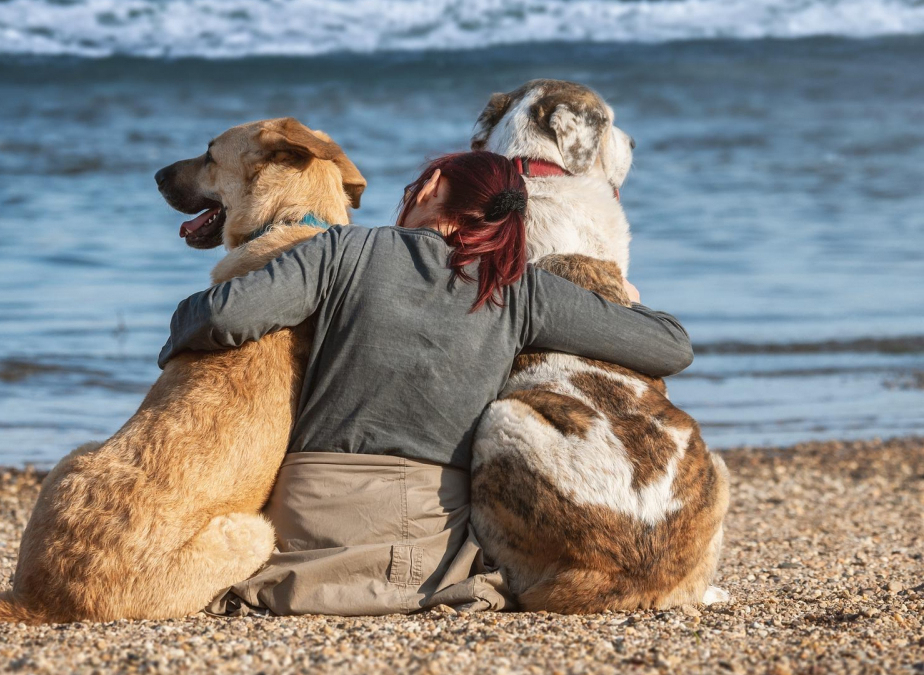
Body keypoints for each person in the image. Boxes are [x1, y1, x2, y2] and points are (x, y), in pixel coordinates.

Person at [157, 151, 693, 616]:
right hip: (425, 551)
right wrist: (624, 294)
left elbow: (222, 318)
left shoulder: (343, 250)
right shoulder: (522, 290)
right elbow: (671, 346)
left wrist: (174, 338)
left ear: (432, 188)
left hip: (306, 527)